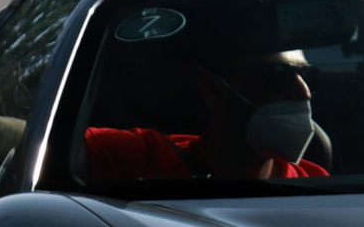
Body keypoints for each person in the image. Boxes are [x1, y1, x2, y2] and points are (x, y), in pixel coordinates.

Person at [82, 47, 331, 182]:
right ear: (214, 90)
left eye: (306, 75)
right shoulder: (138, 158)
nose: (304, 92)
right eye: (277, 76)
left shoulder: (315, 183)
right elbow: (49, 140)